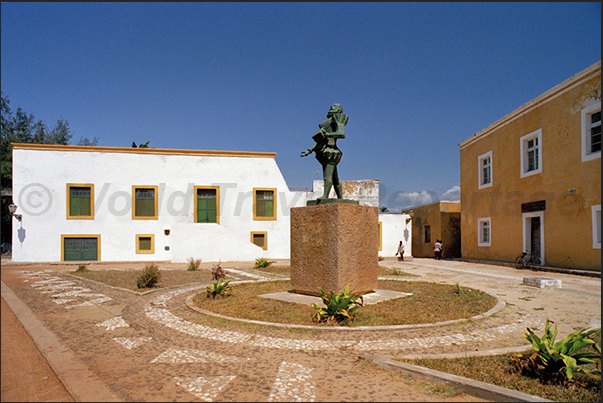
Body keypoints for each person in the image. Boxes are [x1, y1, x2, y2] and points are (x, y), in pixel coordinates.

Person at [301, 103, 348, 200]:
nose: (331, 108)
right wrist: (310, 150)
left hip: (331, 151)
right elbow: (321, 142)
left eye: (335, 107)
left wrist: (327, 134)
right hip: (325, 150)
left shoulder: (338, 119)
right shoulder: (327, 123)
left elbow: (341, 133)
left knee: (328, 176)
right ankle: (340, 198)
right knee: (335, 178)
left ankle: (325, 196)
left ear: (339, 111)